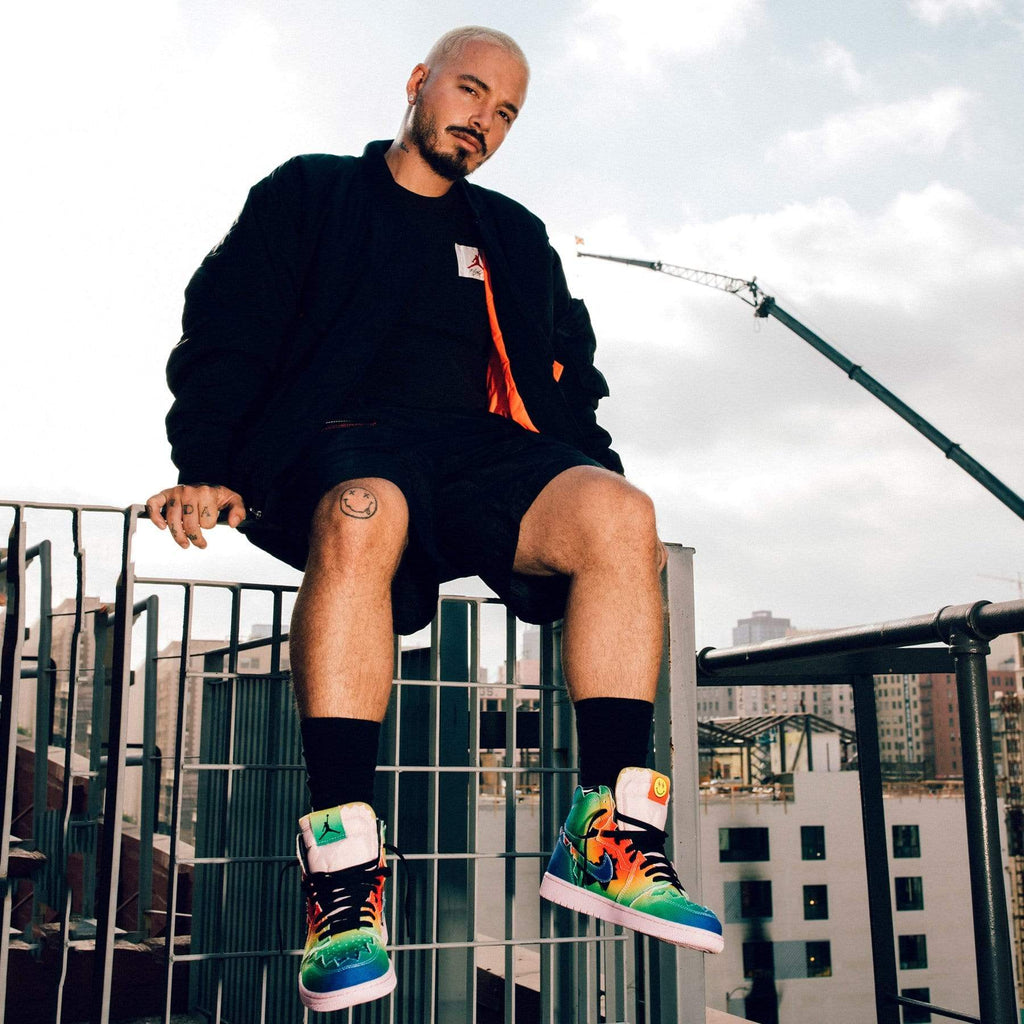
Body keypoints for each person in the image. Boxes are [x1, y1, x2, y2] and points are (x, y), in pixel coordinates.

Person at [146, 25, 722, 1013]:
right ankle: (341, 887)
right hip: (343, 441)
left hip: (477, 451)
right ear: (418, 83)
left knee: (623, 513)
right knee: (364, 512)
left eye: (506, 113)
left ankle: (610, 838)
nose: (483, 120)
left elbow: (569, 375)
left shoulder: (513, 235)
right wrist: (207, 465)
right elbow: (227, 328)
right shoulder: (313, 193)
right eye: (469, 91)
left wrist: (595, 481)